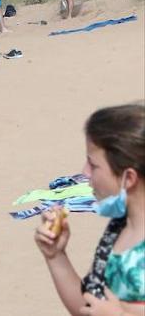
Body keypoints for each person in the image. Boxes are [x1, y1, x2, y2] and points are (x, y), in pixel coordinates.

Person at [35, 103, 144, 314]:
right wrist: (56, 256)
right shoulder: (118, 229)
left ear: (128, 178)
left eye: (93, 165)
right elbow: (89, 307)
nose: (84, 173)